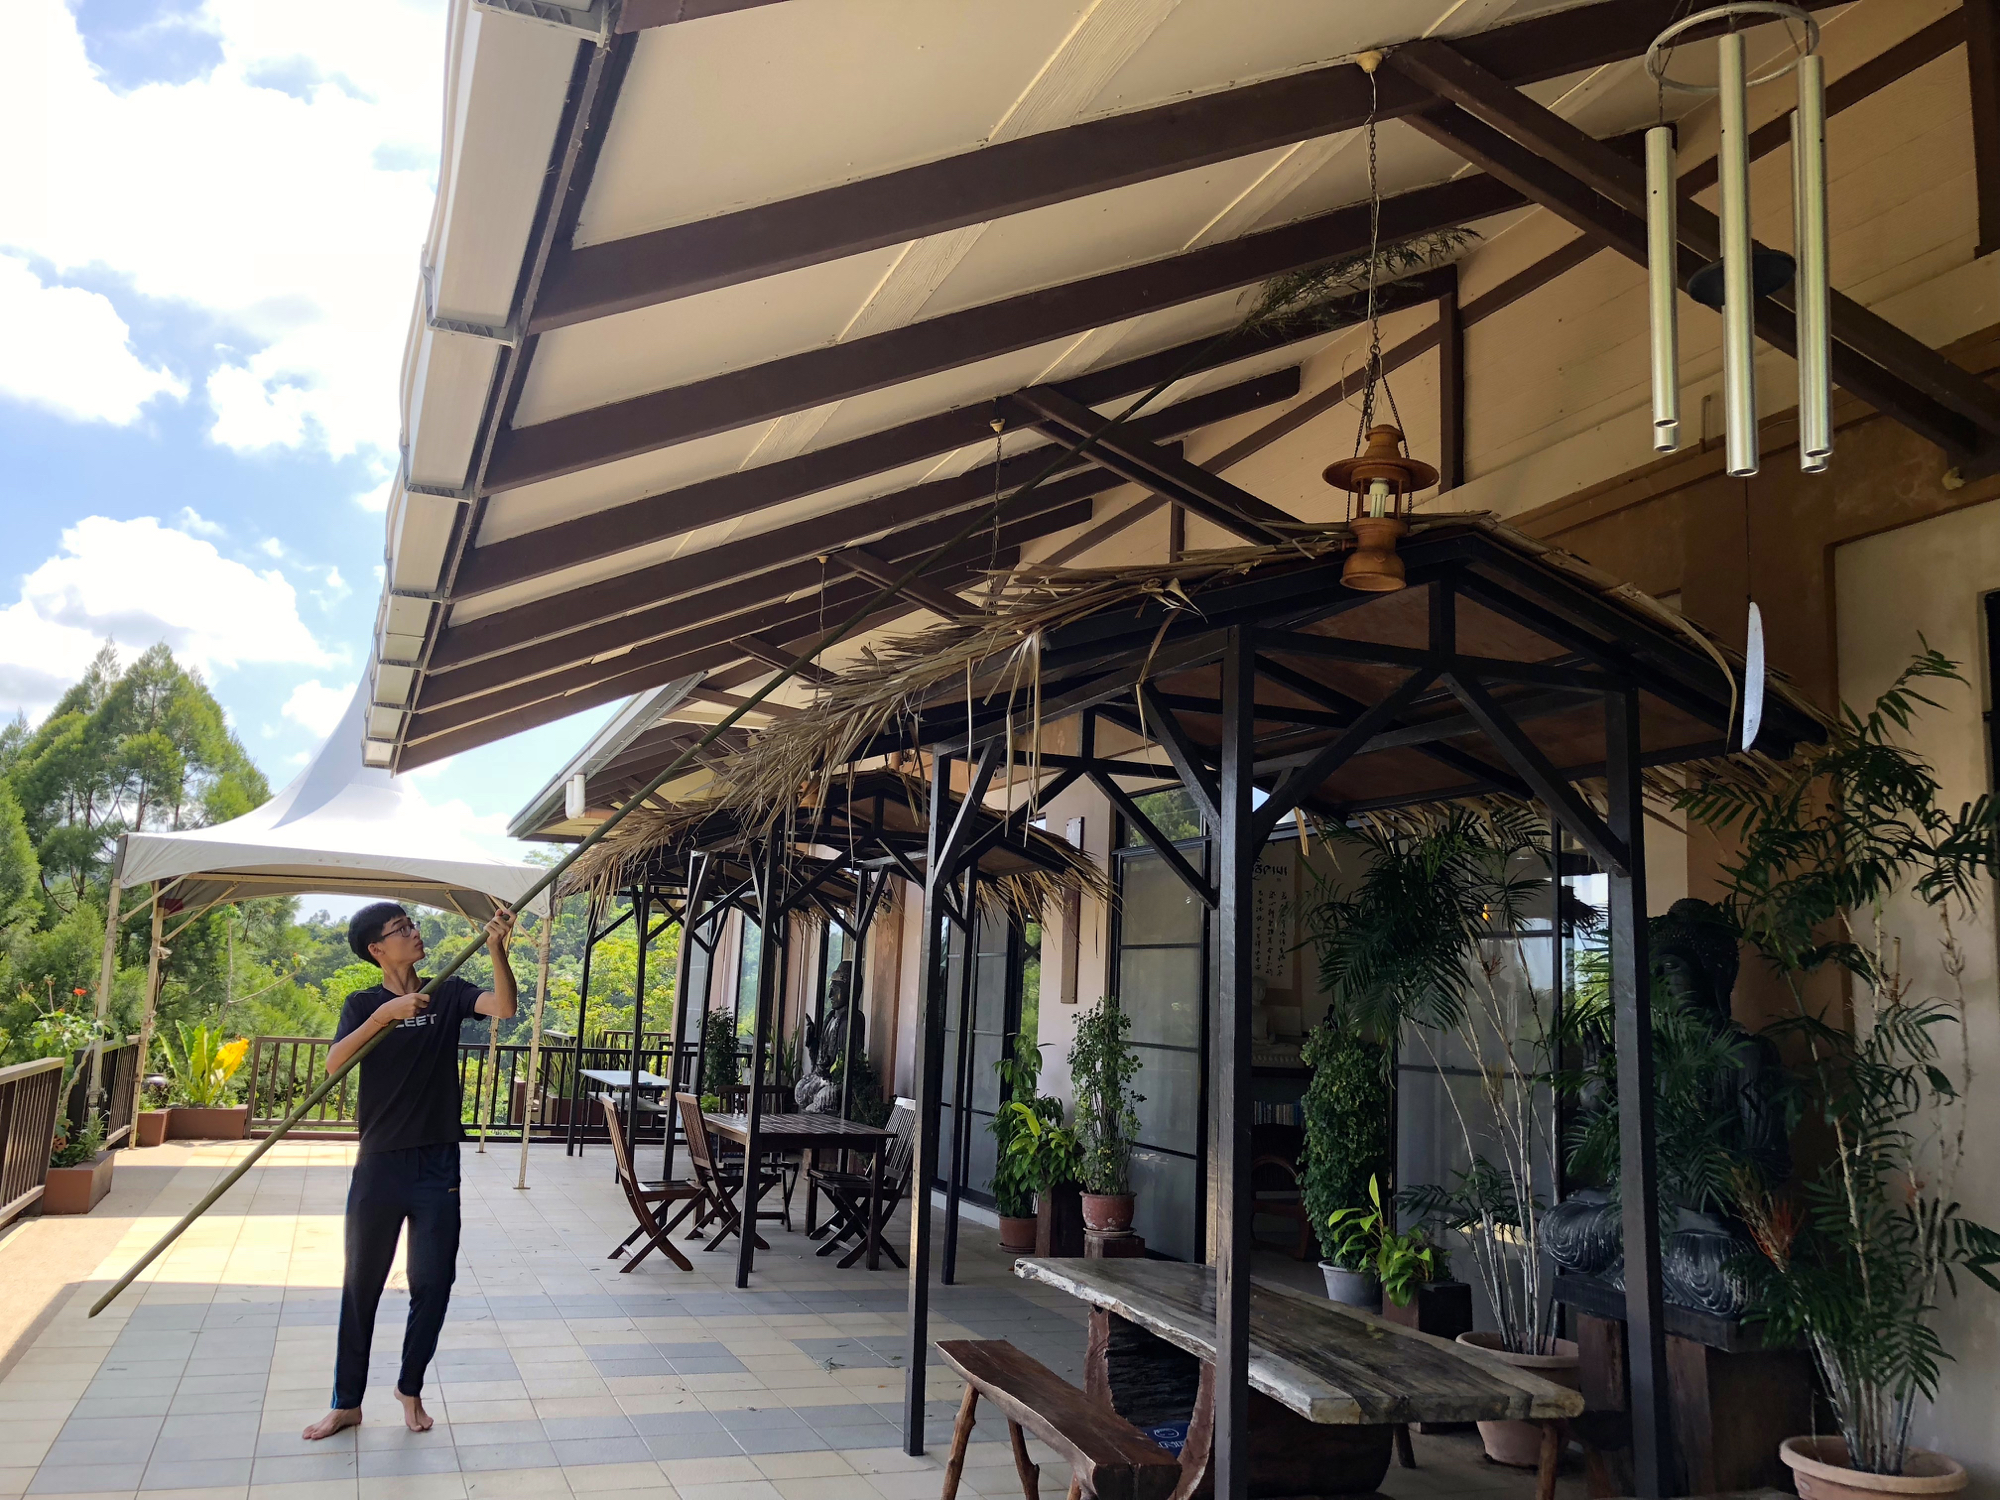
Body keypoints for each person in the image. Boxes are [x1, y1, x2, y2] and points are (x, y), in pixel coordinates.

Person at [301, 900, 517, 1440]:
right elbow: (334, 1063)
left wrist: (497, 949)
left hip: (437, 1160)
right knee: (362, 1285)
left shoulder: (448, 991)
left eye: (412, 924)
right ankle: (347, 1402)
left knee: (433, 1281)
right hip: (380, 1163)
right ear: (377, 949)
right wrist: (385, 1017)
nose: (414, 932)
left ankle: (410, 1386)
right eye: (401, 929)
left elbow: (505, 1007)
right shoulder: (362, 1004)